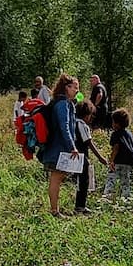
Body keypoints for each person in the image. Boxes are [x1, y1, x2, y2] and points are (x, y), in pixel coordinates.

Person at [40, 75, 80, 216]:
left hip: (56, 148)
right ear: (66, 88)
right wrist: (72, 146)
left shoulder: (61, 103)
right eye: (75, 87)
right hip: (58, 149)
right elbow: (65, 127)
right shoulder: (63, 104)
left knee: (57, 178)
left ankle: (55, 209)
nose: (77, 91)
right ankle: (54, 211)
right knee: (56, 179)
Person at [72, 100, 105, 214]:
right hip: (81, 156)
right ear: (87, 114)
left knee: (78, 181)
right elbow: (89, 143)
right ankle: (80, 206)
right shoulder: (82, 125)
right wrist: (101, 158)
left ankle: (79, 204)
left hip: (73, 155)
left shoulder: (72, 122)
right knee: (84, 180)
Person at [105, 108, 133, 199]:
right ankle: (125, 197)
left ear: (117, 123)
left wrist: (111, 161)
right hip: (129, 161)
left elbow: (116, 148)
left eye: (113, 122)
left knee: (111, 177)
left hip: (119, 160)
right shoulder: (129, 134)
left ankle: (108, 195)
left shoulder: (115, 134)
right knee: (125, 180)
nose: (112, 124)